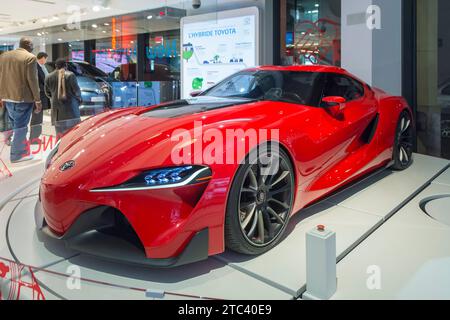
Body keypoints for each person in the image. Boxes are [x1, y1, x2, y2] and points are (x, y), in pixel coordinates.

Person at [0, 38, 42, 163]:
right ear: (29, 45)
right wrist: (37, 100)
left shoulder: (4, 56)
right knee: (21, 127)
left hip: (7, 97)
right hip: (22, 98)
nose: (33, 48)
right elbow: (33, 81)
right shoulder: (30, 57)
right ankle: (17, 155)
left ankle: (21, 151)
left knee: (16, 126)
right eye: (32, 45)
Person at [45, 58, 81, 137]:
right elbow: (77, 91)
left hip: (57, 112)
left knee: (59, 135)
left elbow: (47, 93)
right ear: (66, 65)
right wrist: (79, 100)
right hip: (71, 110)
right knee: (73, 135)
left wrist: (55, 98)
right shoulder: (70, 75)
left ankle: (60, 149)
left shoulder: (48, 77)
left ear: (55, 66)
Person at [29, 52, 50, 144]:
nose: (46, 61)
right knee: (37, 118)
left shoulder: (41, 67)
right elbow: (37, 83)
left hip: (40, 96)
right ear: (42, 58)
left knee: (38, 117)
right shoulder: (36, 67)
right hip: (38, 97)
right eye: (46, 58)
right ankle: (34, 139)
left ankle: (35, 137)